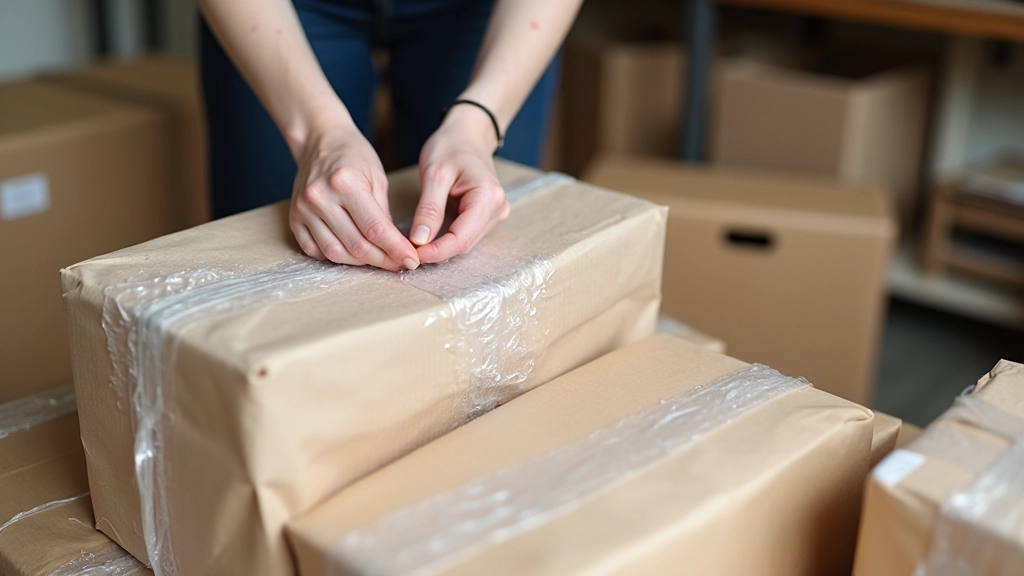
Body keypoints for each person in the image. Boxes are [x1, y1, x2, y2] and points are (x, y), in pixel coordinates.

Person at [198, 0, 583, 272]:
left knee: (482, 245)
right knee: (280, 249)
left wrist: (477, 125)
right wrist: (319, 133)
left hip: (486, 10)